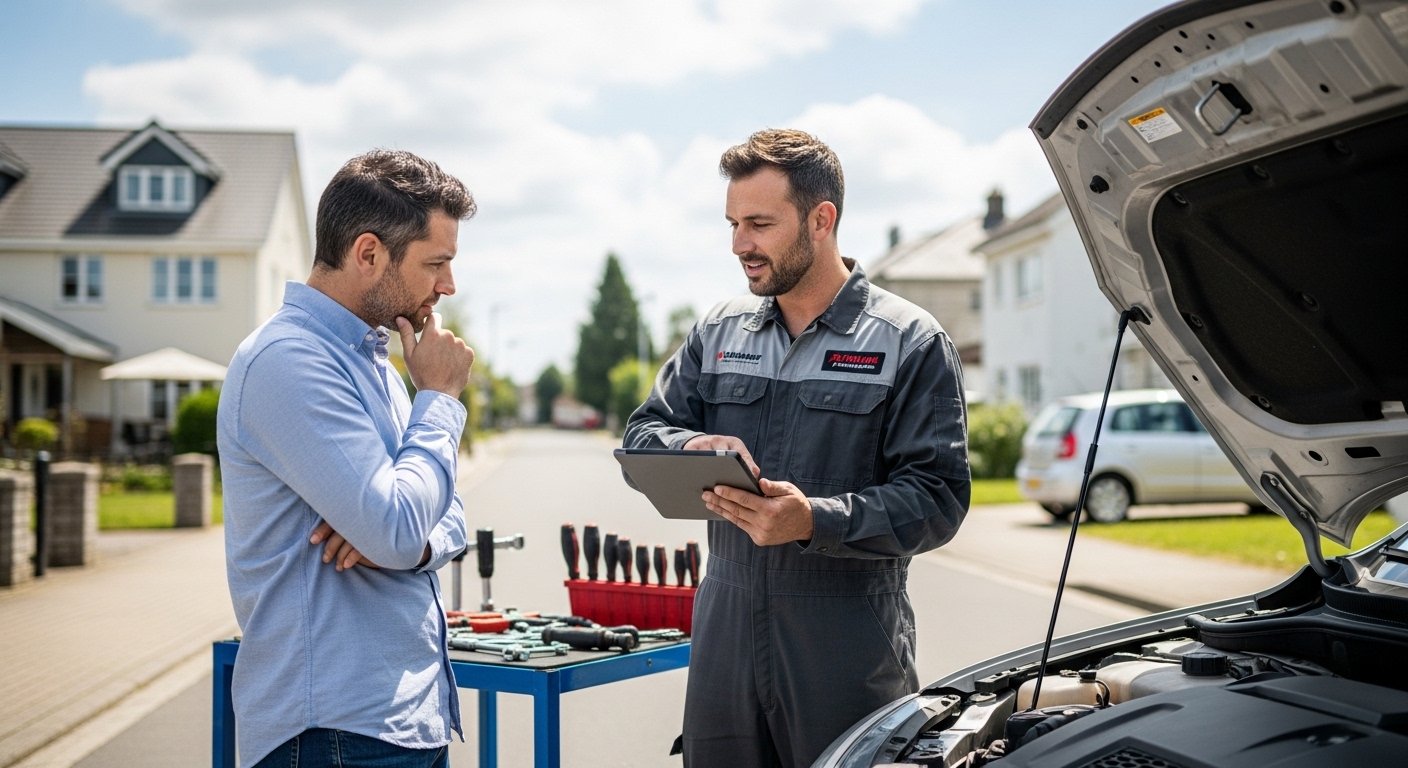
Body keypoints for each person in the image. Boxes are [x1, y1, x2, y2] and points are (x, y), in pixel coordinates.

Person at [623, 129, 971, 767]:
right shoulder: (718, 332)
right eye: (732, 224)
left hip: (845, 645)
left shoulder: (908, 341)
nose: (739, 245)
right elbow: (644, 433)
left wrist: (815, 519)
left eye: (759, 223)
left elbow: (938, 498)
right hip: (724, 631)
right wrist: (693, 442)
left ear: (822, 219)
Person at [218, 149, 476, 768]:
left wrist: (409, 546)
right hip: (333, 734)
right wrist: (438, 399)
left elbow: (448, 516)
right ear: (368, 253)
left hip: (405, 722)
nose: (448, 286)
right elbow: (394, 521)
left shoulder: (378, 363)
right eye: (435, 264)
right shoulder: (288, 361)